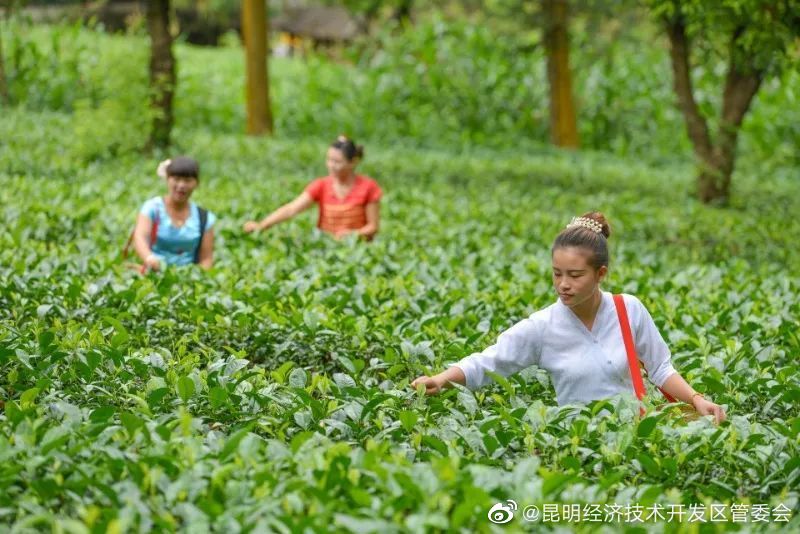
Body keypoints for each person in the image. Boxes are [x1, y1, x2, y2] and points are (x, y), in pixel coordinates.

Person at [411, 212, 727, 424]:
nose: (564, 284)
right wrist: (441, 378)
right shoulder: (542, 327)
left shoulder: (627, 309)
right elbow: (488, 362)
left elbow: (659, 367)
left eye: (575, 275)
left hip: (637, 437)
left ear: (600, 273)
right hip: (579, 441)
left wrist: (696, 399)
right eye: (557, 274)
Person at [243, 136, 382, 240]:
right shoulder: (321, 185)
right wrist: (262, 226)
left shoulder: (368, 187)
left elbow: (373, 227)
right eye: (329, 160)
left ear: (353, 162)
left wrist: (353, 235)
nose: (331, 165)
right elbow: (292, 209)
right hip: (325, 245)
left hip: (358, 250)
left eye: (337, 162)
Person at [131, 156, 216, 271]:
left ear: (196, 183)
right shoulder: (152, 208)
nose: (181, 185)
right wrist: (150, 259)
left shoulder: (204, 218)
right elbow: (140, 237)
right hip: (152, 273)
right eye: (176, 179)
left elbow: (207, 259)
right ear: (167, 179)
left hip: (188, 280)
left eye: (187, 180)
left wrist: (195, 276)